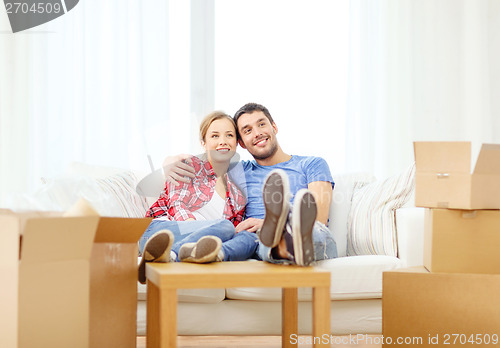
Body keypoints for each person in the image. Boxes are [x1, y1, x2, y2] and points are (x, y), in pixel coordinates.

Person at [166, 103, 337, 266]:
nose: (257, 133)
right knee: (261, 241)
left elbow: (319, 219)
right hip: (263, 240)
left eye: (261, 124)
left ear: (274, 127)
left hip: (313, 233)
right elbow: (205, 162)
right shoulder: (239, 171)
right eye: (247, 131)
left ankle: (288, 222)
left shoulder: (312, 164)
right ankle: (284, 238)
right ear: (241, 143)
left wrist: (267, 223)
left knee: (307, 231)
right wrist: (170, 162)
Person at [138, 111, 258, 284]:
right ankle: (167, 255)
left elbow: (234, 232)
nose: (223, 141)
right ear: (204, 143)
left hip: (197, 241)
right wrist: (210, 232)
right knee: (225, 227)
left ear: (236, 143)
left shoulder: (237, 193)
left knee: (250, 237)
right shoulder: (188, 166)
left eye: (229, 135)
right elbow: (177, 206)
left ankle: (175, 257)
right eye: (215, 136)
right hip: (160, 234)